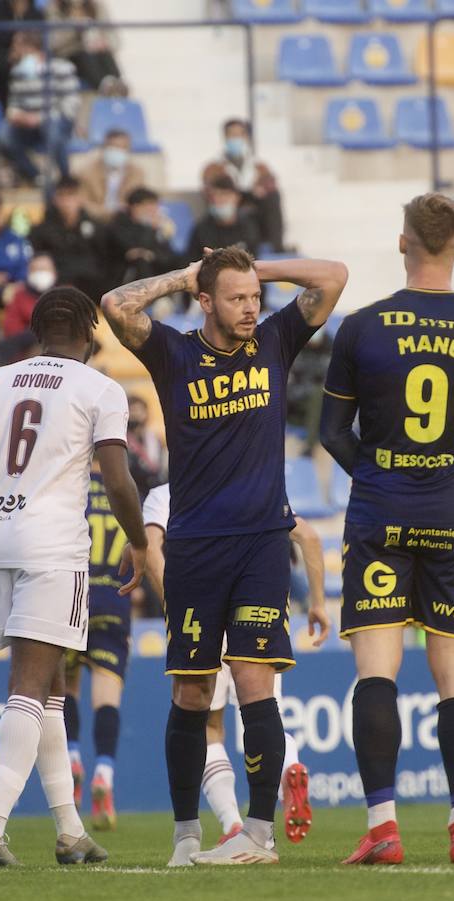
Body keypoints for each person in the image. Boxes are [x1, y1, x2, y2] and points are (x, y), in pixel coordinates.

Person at [100, 246, 346, 866]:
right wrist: (184, 277)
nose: (250, 308)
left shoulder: (275, 340)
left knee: (255, 681)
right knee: (191, 692)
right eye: (235, 299)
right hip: (194, 549)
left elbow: (334, 277)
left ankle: (258, 834)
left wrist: (256, 270)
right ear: (205, 302)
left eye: (255, 298)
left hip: (262, 544)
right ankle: (187, 836)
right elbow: (114, 305)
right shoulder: (175, 353)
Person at [318, 193, 454, 866]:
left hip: (380, 513)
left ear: (403, 243)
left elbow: (329, 432)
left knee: (377, 672)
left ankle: (384, 828)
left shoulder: (363, 328)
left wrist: (381, 472)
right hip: (453, 518)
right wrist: (451, 465)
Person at [0, 286, 148, 868]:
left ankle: (70, 831)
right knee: (31, 685)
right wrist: (138, 540)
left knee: (52, 686)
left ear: (37, 331)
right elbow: (118, 477)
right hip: (52, 545)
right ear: (88, 333)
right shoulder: (99, 387)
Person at [140, 482, 327, 847]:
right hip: (257, 604)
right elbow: (310, 537)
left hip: (202, 607)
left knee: (209, 725)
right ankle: (289, 768)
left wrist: (174, 603)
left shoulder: (167, 493)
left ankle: (230, 822)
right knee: (261, 711)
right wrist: (318, 602)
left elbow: (149, 548)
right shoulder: (254, 483)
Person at [60, 465, 137, 830]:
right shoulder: (125, 488)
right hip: (114, 601)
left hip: (71, 597)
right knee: (107, 698)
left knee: (66, 687)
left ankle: (72, 757)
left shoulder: (69, 484)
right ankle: (104, 772)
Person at [0, 31, 82, 186]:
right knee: (3, 137)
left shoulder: (62, 69)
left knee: (53, 130)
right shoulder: (18, 72)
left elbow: (71, 104)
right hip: (27, 125)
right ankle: (36, 176)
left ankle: (65, 179)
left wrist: (40, 118)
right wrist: (16, 115)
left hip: (56, 121)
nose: (13, 51)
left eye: (17, 47)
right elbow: (14, 103)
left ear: (32, 48)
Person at [201, 118, 284, 253]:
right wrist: (237, 194)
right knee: (244, 213)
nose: (235, 139)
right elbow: (211, 190)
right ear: (225, 137)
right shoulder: (213, 167)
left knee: (273, 197)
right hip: (230, 212)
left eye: (239, 134)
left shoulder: (259, 165)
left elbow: (270, 185)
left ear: (245, 137)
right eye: (231, 135)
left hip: (256, 212)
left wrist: (259, 191)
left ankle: (276, 247)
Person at [28, 178, 107, 299]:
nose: (67, 201)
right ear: (55, 199)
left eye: (71, 195)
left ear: (80, 198)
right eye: (62, 196)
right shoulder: (41, 230)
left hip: (91, 287)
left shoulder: (96, 227)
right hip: (55, 288)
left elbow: (103, 258)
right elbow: (36, 257)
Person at [106, 187, 182, 286]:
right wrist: (150, 228)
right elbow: (134, 250)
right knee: (141, 261)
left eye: (156, 205)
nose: (155, 210)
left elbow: (168, 256)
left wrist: (152, 255)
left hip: (155, 274)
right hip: (123, 277)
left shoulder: (155, 228)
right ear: (135, 207)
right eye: (149, 205)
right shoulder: (118, 226)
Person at [48, 0, 123, 92]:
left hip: (97, 52)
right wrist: (74, 28)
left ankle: (117, 85)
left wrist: (104, 43)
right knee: (86, 56)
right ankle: (107, 88)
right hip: (71, 54)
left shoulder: (96, 7)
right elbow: (53, 42)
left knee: (105, 55)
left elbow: (115, 40)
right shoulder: (55, 7)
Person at [0, 0, 44, 110]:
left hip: (32, 63)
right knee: (6, 73)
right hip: (4, 65)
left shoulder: (36, 13)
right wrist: (11, 57)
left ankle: (35, 113)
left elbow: (42, 44)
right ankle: (13, 113)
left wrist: (28, 55)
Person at [185, 176, 261, 263]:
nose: (218, 200)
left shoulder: (248, 226)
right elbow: (190, 262)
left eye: (224, 195)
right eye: (213, 196)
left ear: (237, 197)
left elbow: (254, 260)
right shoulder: (201, 229)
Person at [77, 129, 145, 221]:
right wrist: (109, 213)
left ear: (128, 150)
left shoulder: (137, 174)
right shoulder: (86, 173)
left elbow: (140, 202)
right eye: (113, 147)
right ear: (104, 148)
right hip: (96, 221)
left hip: (125, 222)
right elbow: (82, 203)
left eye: (121, 148)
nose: (116, 151)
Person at [1, 253, 58, 337]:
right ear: (29, 273)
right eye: (37, 269)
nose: (41, 274)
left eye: (45, 269)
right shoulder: (19, 297)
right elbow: (11, 329)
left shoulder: (65, 296)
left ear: (54, 273)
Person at [125, 394, 166, 497]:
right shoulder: (123, 439)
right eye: (132, 411)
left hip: (152, 490)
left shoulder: (154, 439)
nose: (135, 415)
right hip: (133, 490)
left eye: (138, 411)